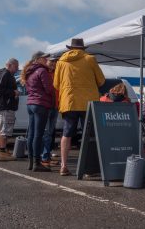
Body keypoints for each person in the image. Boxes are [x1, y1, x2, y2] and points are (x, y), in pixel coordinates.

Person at [54, 38, 105, 176]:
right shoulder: (90, 59)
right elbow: (101, 81)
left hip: (69, 101)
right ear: (83, 48)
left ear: (70, 48)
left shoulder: (61, 62)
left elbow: (56, 84)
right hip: (88, 102)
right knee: (89, 134)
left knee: (66, 133)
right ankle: (89, 168)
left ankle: (64, 166)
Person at [20, 51, 54, 172]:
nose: (46, 60)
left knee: (32, 134)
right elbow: (49, 88)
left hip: (31, 104)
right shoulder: (42, 71)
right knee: (38, 134)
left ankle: (31, 162)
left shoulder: (29, 71)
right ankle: (37, 163)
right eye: (44, 58)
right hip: (40, 104)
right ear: (38, 59)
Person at [0, 58, 19, 160]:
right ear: (9, 65)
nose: (17, 68)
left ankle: (2, 151)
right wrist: (14, 92)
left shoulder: (4, 74)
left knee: (1, 129)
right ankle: (2, 152)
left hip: (2, 105)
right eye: (16, 66)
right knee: (4, 130)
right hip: (4, 106)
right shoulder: (5, 74)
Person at [41, 54, 59, 167]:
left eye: (55, 62)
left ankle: (45, 157)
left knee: (49, 133)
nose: (53, 63)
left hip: (55, 106)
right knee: (46, 133)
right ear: (46, 61)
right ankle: (44, 158)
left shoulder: (57, 73)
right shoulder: (43, 73)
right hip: (46, 106)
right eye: (51, 61)